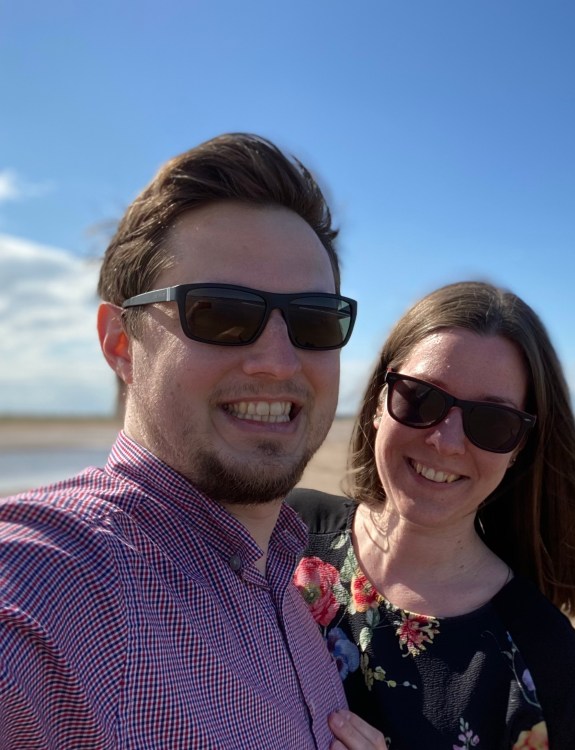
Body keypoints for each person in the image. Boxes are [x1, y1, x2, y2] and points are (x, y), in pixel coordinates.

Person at [0, 133, 383, 749]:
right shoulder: (57, 585)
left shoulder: (286, 579)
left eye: (314, 320)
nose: (277, 361)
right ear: (121, 343)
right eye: (220, 313)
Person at [288, 280, 575, 749]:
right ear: (380, 400)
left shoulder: (550, 667)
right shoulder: (279, 535)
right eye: (421, 397)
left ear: (518, 448)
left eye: (492, 421)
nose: (446, 441)